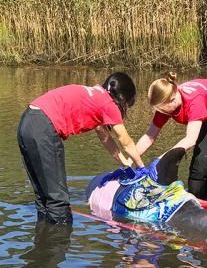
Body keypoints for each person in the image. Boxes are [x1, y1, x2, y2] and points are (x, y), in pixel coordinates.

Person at [17, 72, 146, 224]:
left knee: (43, 198)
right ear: (122, 99)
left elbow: (105, 136)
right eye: (126, 106)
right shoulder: (109, 104)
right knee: (58, 202)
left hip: (27, 123)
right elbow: (126, 141)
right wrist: (142, 168)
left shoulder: (96, 95)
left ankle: (44, 242)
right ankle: (59, 242)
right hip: (44, 127)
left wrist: (124, 163)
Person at [135, 73, 207, 202]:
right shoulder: (166, 103)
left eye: (163, 110)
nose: (161, 113)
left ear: (172, 99)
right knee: (198, 168)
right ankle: (196, 204)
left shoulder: (194, 102)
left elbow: (190, 140)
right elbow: (149, 136)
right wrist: (128, 161)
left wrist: (161, 160)